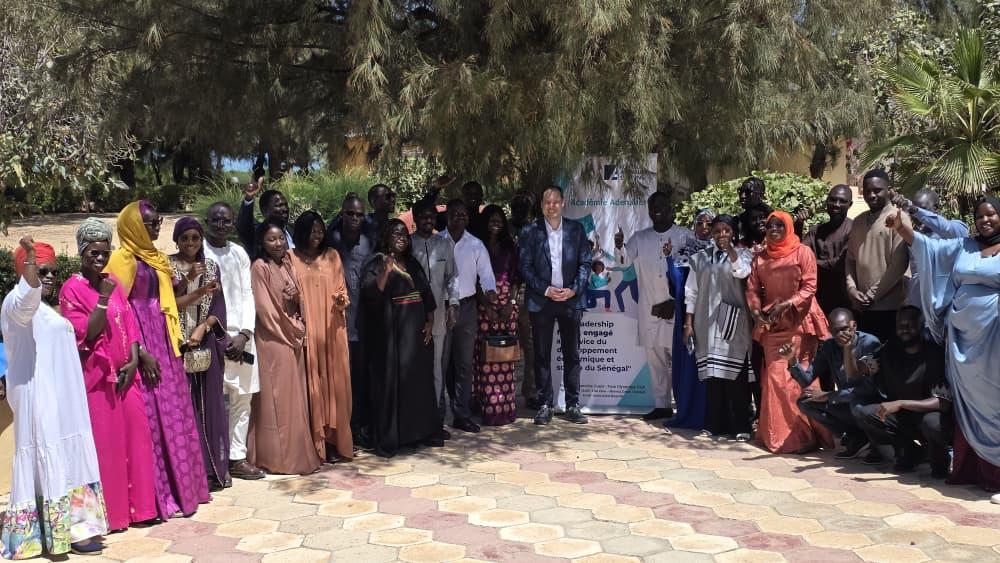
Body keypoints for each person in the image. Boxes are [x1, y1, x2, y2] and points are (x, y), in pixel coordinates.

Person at [887, 196, 1000, 503]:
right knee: (972, 405)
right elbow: (929, 249)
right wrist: (903, 229)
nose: (985, 220)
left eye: (991, 214)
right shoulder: (965, 246)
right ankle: (977, 470)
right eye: (979, 216)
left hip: (996, 340)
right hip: (964, 343)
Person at [1, 237, 108, 558]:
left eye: (51, 271)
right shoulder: (15, 304)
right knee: (47, 455)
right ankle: (44, 535)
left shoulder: (46, 309)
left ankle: (78, 529)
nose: (48, 276)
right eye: (40, 269)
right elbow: (26, 298)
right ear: (24, 270)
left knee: (71, 456)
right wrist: (31, 261)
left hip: (65, 398)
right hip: (39, 396)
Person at [106, 200, 210, 519]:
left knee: (176, 409)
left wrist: (188, 278)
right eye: (150, 222)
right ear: (134, 226)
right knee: (153, 414)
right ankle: (157, 496)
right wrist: (141, 352)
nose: (156, 227)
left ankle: (184, 489)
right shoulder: (122, 259)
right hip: (143, 340)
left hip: (165, 337)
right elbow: (116, 307)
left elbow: (163, 293)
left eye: (158, 220)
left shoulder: (154, 258)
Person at [61, 219, 158, 532]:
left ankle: (142, 510)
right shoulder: (72, 289)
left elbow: (128, 322)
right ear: (81, 252)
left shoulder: (112, 280)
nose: (100, 258)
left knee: (138, 440)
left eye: (104, 252)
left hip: (127, 375)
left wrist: (132, 361)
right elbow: (88, 332)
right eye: (93, 252)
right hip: (98, 380)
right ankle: (115, 516)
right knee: (110, 447)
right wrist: (102, 298)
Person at [746, 211, 833, 454]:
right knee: (774, 377)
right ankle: (778, 435)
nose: (773, 228)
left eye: (779, 225)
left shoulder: (802, 251)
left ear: (788, 227)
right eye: (769, 225)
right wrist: (755, 311)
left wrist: (788, 304)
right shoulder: (760, 257)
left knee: (798, 378)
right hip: (773, 323)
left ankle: (805, 435)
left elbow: (810, 286)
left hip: (800, 321)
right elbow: (752, 288)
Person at [361, 219, 443, 457]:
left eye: (404, 234)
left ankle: (420, 433)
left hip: (417, 334)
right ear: (386, 236)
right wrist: (385, 272)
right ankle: (396, 438)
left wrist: (429, 322)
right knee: (394, 385)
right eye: (395, 234)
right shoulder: (376, 262)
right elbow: (370, 296)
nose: (401, 238)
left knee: (417, 385)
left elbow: (427, 295)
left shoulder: (412, 263)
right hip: (392, 336)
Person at [614, 192, 698, 421]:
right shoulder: (640, 238)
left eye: (661, 206)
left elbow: (694, 275)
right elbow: (623, 261)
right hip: (650, 308)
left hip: (677, 310)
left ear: (671, 208)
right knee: (655, 359)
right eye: (652, 207)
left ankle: (684, 405)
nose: (656, 210)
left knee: (680, 360)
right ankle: (662, 405)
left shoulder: (685, 236)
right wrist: (620, 246)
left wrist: (677, 302)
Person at [249, 221, 322, 475]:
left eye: (281, 238)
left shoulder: (287, 263)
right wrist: (291, 333)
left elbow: (299, 297)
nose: (278, 243)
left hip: (294, 336)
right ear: (262, 242)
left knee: (295, 398)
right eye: (271, 239)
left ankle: (298, 451)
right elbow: (266, 310)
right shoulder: (260, 267)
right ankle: (278, 458)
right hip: (275, 340)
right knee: (277, 400)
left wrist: (297, 298)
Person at [202, 202, 266, 481]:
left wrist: (245, 334)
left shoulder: (239, 252)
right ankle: (214, 461)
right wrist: (222, 335)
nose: (221, 225)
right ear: (207, 221)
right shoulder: (199, 251)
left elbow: (247, 293)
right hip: (212, 336)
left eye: (226, 220)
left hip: (242, 338)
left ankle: (237, 458)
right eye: (216, 220)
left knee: (243, 399)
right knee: (214, 400)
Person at [519, 186, 592, 425]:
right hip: (542, 301)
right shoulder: (530, 232)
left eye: (555, 202)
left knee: (572, 353)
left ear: (563, 203)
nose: (551, 206)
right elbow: (525, 267)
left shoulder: (576, 230)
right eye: (547, 202)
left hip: (570, 300)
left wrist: (573, 289)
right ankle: (545, 404)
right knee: (541, 354)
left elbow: (585, 263)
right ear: (541, 205)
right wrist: (546, 289)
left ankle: (572, 404)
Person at [169, 218, 231, 490]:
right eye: (185, 238)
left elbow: (219, 305)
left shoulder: (212, 267)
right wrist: (190, 279)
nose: (191, 244)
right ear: (176, 240)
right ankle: (189, 473)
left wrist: (204, 328)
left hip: (204, 344)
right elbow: (167, 300)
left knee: (210, 405)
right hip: (175, 344)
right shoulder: (166, 265)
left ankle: (214, 468)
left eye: (195, 238)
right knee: (184, 408)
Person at [850, 307, 950, 474]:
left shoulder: (933, 353)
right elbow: (861, 370)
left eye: (909, 325)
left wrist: (900, 403)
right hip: (902, 416)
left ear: (920, 325)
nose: (904, 330)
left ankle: (940, 459)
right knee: (865, 412)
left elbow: (943, 403)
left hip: (927, 414)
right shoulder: (890, 348)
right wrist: (851, 349)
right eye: (900, 325)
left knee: (933, 423)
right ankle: (911, 452)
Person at [290, 211, 354, 462]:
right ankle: (315, 444)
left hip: (331, 327)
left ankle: (335, 441)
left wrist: (341, 299)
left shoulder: (332, 256)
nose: (316, 235)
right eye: (311, 230)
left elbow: (341, 289)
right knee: (311, 383)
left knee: (335, 384)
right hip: (307, 328)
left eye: (319, 230)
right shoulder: (290, 257)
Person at [682, 215, 754, 440]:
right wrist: (688, 323)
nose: (722, 234)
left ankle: (741, 426)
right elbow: (690, 292)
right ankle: (713, 425)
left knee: (736, 377)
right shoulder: (699, 258)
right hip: (706, 324)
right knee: (713, 378)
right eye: (718, 231)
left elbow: (742, 273)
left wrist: (730, 250)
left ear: (734, 233)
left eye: (726, 230)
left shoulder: (743, 254)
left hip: (734, 322)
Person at [782, 308, 881, 459]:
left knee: (858, 405)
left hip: (869, 403)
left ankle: (877, 444)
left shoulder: (869, 343)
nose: (841, 334)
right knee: (805, 402)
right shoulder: (829, 346)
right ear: (829, 331)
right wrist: (792, 360)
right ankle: (856, 438)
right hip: (846, 401)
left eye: (844, 329)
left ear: (854, 325)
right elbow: (807, 380)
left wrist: (829, 395)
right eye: (835, 331)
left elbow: (868, 389)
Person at [441, 199, 498, 433]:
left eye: (463, 215)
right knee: (440, 364)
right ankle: (436, 417)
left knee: (464, 364)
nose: (460, 218)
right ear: (447, 216)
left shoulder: (475, 245)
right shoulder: (436, 242)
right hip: (442, 309)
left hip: (466, 308)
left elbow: (486, 275)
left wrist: (491, 291)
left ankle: (461, 415)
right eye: (455, 214)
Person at [329, 194, 375, 447]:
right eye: (350, 214)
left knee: (361, 380)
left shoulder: (368, 242)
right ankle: (342, 430)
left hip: (363, 324)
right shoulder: (332, 240)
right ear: (342, 214)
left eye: (359, 214)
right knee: (341, 382)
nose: (355, 219)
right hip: (338, 324)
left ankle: (359, 429)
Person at [845, 170, 911, 342]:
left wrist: (872, 295)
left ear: (889, 190)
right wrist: (852, 289)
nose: (871, 195)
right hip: (861, 307)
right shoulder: (858, 221)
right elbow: (850, 261)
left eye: (877, 190)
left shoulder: (899, 219)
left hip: (888, 308)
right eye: (867, 191)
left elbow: (899, 265)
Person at [410, 200, 458, 439]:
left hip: (439, 315)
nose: (428, 221)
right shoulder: (407, 244)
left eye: (431, 217)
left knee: (436, 368)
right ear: (416, 219)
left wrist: (453, 304)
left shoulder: (444, 244)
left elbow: (452, 278)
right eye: (424, 217)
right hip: (412, 317)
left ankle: (435, 421)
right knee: (415, 367)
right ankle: (415, 421)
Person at [472, 205, 521, 426]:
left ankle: (506, 409)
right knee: (487, 358)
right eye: (491, 219)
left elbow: (515, 278)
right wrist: (487, 306)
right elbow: (473, 279)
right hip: (484, 304)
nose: (495, 223)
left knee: (505, 355)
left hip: (507, 306)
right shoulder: (476, 245)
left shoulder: (510, 246)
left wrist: (510, 303)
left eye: (499, 219)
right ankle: (489, 409)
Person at [889, 188, 969, 306]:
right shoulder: (912, 236)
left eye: (922, 209)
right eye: (912, 212)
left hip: (947, 305)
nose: (916, 216)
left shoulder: (955, 230)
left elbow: (947, 228)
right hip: (920, 305)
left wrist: (912, 208)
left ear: (936, 208)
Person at [803, 185, 854, 314]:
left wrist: (812, 263)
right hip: (817, 296)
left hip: (843, 297)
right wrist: (798, 224)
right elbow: (800, 255)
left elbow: (838, 263)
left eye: (842, 201)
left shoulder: (854, 229)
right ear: (827, 201)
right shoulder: (816, 231)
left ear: (850, 204)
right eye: (833, 199)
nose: (836, 204)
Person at [510, 191, 539, 409]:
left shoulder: (535, 231)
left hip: (529, 293)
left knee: (530, 345)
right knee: (504, 345)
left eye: (524, 208)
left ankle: (530, 391)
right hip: (507, 292)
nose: (520, 212)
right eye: (516, 208)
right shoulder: (505, 229)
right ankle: (502, 391)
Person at [237, 178, 294, 257]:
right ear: (265, 211)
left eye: (286, 205)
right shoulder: (258, 232)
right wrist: (249, 198)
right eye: (279, 205)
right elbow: (244, 225)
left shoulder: (293, 230)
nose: (285, 209)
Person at [735, 177, 767, 244]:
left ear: (760, 195)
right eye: (740, 191)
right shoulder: (738, 221)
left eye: (748, 192)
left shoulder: (771, 217)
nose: (742, 196)